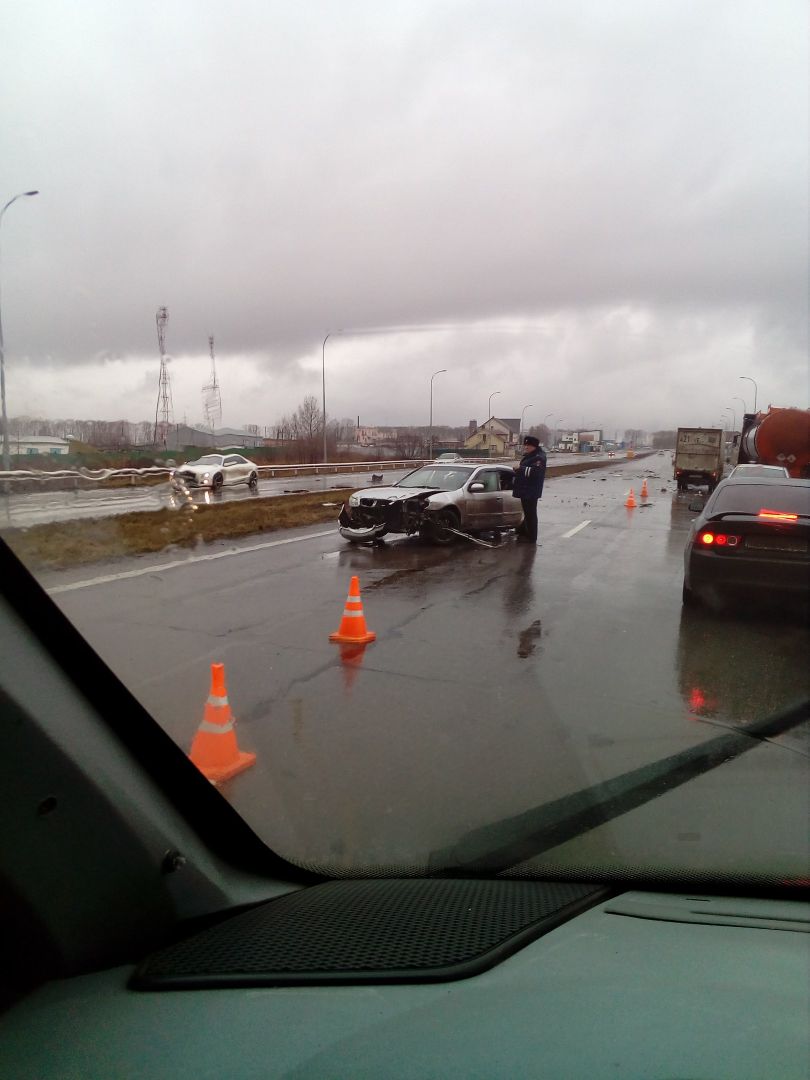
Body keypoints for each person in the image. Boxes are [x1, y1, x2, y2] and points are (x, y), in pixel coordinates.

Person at [512, 435, 547, 544]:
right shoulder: (531, 455)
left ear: (534, 446)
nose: (526, 447)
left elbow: (536, 473)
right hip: (525, 490)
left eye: (528, 445)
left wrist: (520, 468)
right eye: (525, 445)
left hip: (531, 491)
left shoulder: (539, 457)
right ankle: (523, 530)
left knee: (531, 513)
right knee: (527, 513)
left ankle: (532, 537)